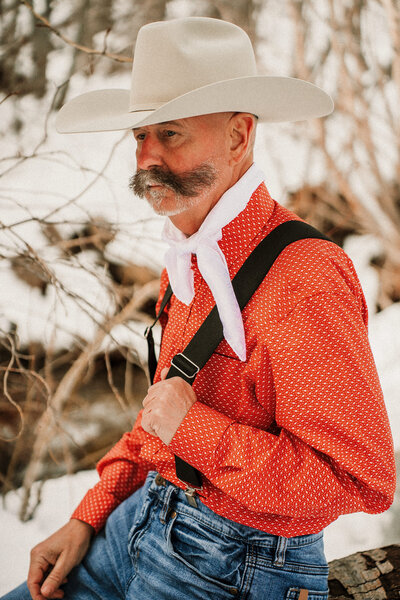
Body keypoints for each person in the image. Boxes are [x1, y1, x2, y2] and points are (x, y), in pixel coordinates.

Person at [3, 17, 395, 600]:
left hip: (240, 564)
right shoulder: (188, 255)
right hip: (135, 524)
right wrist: (90, 513)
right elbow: (160, 423)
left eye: (170, 133)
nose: (146, 158)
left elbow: (358, 481)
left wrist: (195, 428)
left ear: (239, 135)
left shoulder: (306, 278)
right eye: (140, 136)